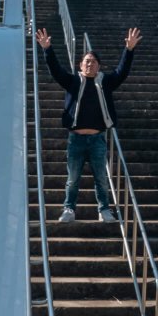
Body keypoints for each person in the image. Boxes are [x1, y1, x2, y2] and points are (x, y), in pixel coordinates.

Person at [35, 26, 142, 222]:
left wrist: (129, 50)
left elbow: (122, 72)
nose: (90, 64)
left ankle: (104, 210)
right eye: (86, 61)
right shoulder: (73, 81)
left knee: (101, 178)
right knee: (72, 179)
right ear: (80, 65)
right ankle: (69, 209)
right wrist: (47, 49)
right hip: (76, 139)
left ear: (99, 66)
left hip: (97, 139)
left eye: (93, 62)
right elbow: (56, 71)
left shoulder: (105, 82)